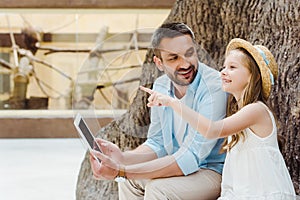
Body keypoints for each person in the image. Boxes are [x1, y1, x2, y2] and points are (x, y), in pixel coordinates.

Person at [140, 38, 296, 199]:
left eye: (232, 67)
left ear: (253, 77)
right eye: (224, 66)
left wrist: (172, 103)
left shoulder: (256, 111)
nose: (223, 71)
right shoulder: (238, 116)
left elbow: (211, 130)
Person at [90, 22, 228, 199]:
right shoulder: (161, 86)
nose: (185, 64)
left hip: (210, 171)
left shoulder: (213, 86)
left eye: (189, 53)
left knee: (158, 188)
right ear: (159, 63)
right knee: (129, 183)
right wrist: (123, 158)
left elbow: (192, 156)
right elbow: (158, 143)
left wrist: (122, 171)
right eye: (173, 58)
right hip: (178, 165)